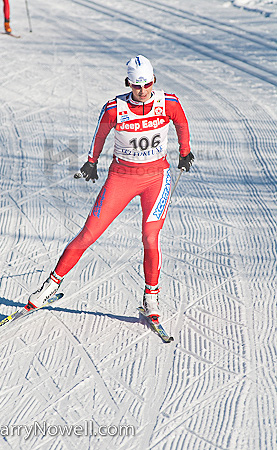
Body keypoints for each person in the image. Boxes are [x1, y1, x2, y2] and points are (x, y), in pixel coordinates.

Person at [27, 55, 194, 318]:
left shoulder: (168, 102)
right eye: (136, 85)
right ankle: (50, 285)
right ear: (128, 83)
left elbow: (181, 122)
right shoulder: (114, 108)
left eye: (147, 84)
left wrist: (185, 152)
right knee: (89, 233)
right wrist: (91, 162)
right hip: (121, 178)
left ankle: (151, 296)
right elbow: (101, 134)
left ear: (154, 80)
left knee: (150, 237)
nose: (142, 91)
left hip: (156, 178)